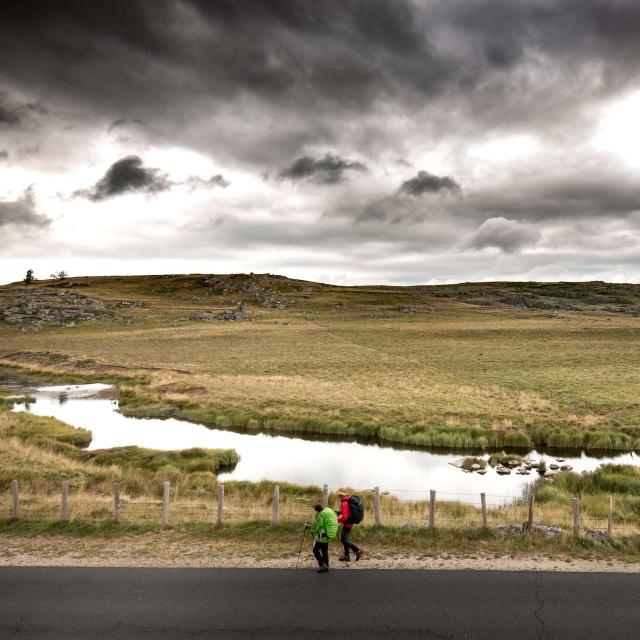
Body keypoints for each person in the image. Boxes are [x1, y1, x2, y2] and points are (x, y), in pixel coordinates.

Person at [306, 503, 338, 573]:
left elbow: (317, 528)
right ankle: (326, 566)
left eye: (315, 510)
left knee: (315, 550)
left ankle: (322, 565)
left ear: (317, 510)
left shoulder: (320, 516)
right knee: (324, 551)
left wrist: (308, 527)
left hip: (322, 535)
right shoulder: (327, 512)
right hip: (327, 534)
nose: (315, 512)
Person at [336, 491, 363, 562]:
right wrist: (339, 513)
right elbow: (347, 513)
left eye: (339, 496)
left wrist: (337, 520)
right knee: (345, 539)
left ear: (341, 496)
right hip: (349, 522)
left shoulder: (344, 503)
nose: (339, 497)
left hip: (347, 523)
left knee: (343, 539)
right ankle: (347, 556)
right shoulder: (347, 502)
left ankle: (357, 550)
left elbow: (345, 517)